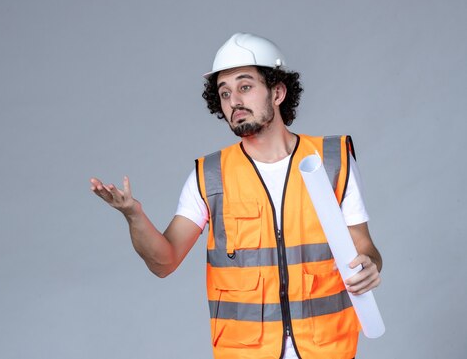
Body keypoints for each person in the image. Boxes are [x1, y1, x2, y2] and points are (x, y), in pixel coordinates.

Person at [90, 33, 382, 359]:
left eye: (245, 87)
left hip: (327, 348)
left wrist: (371, 264)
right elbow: (164, 262)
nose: (234, 101)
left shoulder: (332, 160)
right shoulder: (209, 176)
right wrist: (134, 215)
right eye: (224, 93)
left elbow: (364, 247)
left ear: (278, 92)